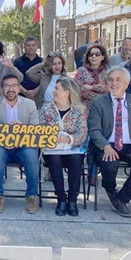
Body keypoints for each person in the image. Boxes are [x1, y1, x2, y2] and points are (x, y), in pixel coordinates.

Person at [87, 66, 131, 218]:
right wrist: (105, 146)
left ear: (126, 84)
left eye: (118, 80)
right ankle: (110, 189)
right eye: (110, 80)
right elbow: (94, 130)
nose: (114, 83)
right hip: (106, 144)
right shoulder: (98, 102)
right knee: (109, 164)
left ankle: (121, 199)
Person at [0, 73, 41, 214]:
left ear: (19, 88)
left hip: (24, 144)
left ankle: (32, 196)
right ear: (1, 89)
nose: (11, 89)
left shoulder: (30, 104)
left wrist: (21, 131)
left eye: (14, 86)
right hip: (1, 145)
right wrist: (5, 134)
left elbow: (35, 130)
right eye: (7, 86)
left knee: (31, 154)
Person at [40, 76, 88, 217]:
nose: (53, 91)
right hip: (52, 150)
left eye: (57, 88)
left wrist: (68, 138)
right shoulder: (47, 109)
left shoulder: (79, 111)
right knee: (54, 159)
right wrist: (51, 137)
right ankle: (61, 198)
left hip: (72, 149)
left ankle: (72, 199)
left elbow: (82, 134)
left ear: (66, 92)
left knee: (75, 158)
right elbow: (40, 130)